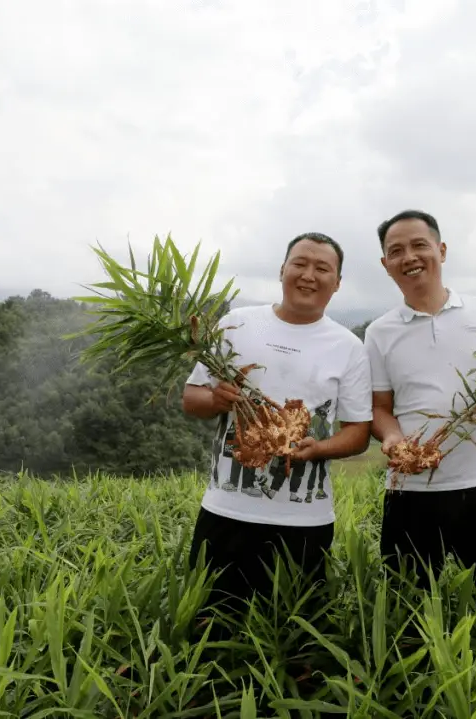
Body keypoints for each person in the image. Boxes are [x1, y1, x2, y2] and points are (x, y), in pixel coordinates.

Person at [182, 232, 373, 626]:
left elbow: (358, 432)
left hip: (305, 522)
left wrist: (317, 449)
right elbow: (192, 398)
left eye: (323, 269)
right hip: (227, 513)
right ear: (281, 270)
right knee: (208, 629)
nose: (309, 275)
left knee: (294, 633)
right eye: (299, 264)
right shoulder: (237, 324)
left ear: (336, 284)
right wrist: (217, 400)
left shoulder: (348, 346)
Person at [362, 209, 476, 604]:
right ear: (385, 265)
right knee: (405, 603)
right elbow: (379, 407)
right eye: (396, 251)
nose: (408, 257)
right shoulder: (379, 332)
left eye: (419, 245)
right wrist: (393, 437)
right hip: (411, 488)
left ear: (441, 251)